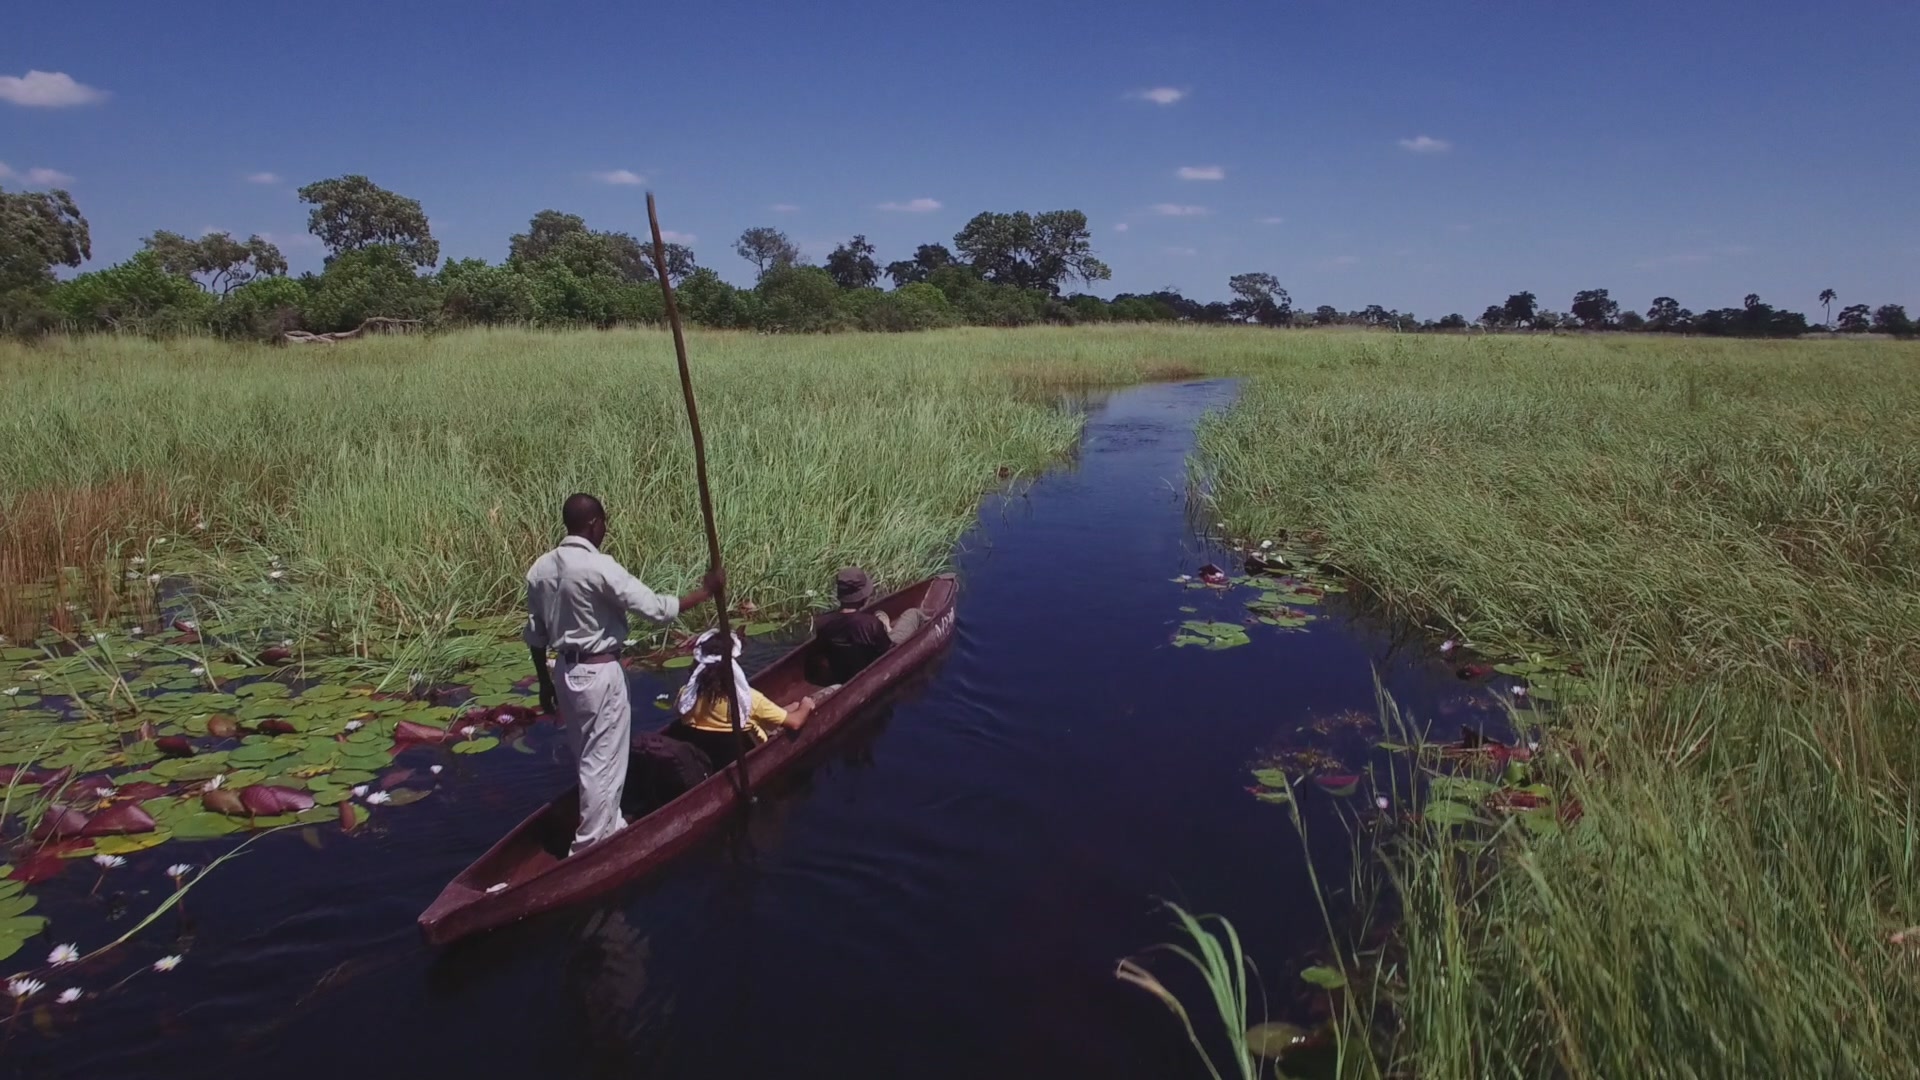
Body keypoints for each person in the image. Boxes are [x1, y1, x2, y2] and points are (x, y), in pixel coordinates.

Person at [524, 492, 723, 856]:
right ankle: (589, 848)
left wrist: (543, 683)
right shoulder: (599, 567)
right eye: (604, 524)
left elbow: (535, 636)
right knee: (602, 761)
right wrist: (706, 592)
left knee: (587, 755)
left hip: (565, 674)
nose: (605, 531)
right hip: (599, 674)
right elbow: (656, 609)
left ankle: (611, 823)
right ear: (594, 524)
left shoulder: (540, 569)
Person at [674, 629, 813, 768]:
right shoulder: (749, 700)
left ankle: (784, 711)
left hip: (710, 756)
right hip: (746, 754)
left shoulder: (686, 697)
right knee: (797, 708)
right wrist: (806, 705)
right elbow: (795, 722)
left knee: (792, 707)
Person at [810, 567, 927, 685]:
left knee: (878, 615)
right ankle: (925, 621)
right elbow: (889, 653)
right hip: (872, 665)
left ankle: (886, 627)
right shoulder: (871, 624)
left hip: (843, 675)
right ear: (863, 597)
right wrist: (884, 630)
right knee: (913, 613)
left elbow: (820, 653)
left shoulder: (822, 622)